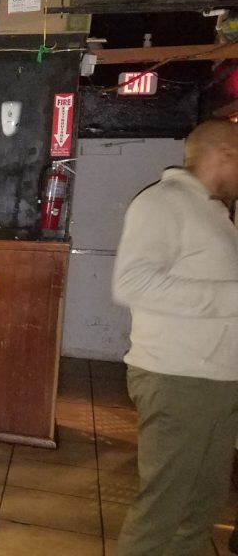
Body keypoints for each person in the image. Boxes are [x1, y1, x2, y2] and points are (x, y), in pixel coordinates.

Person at [112, 119, 238, 556]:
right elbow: (132, 284)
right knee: (163, 510)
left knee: (200, 509)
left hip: (215, 379)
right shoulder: (163, 202)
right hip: (178, 378)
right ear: (224, 153)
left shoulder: (215, 212)